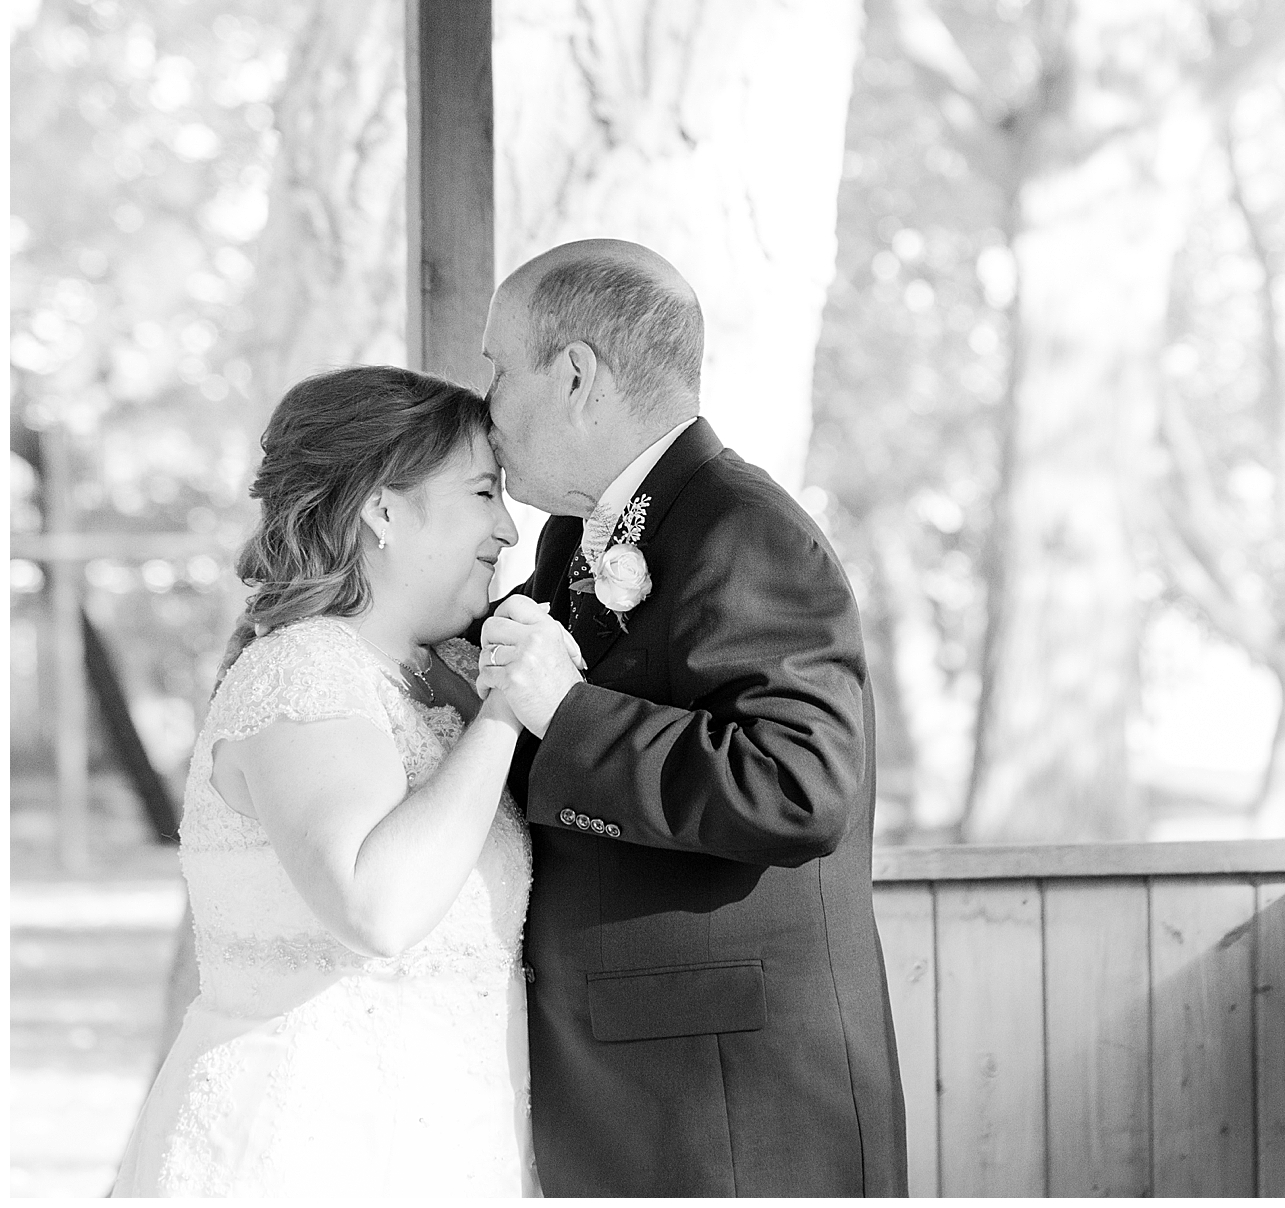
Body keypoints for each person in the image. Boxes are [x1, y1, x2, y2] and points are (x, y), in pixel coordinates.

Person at [475, 237, 907, 1195]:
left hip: (730, 1105)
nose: (486, 407)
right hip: (627, 1076)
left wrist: (568, 709)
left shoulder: (744, 529)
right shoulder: (574, 538)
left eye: (497, 369)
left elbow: (798, 791)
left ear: (577, 374)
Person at [113, 366, 540, 1197]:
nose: (509, 529)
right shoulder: (303, 674)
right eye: (485, 493)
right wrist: (506, 714)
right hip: (311, 1147)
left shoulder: (429, 679)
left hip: (449, 1146)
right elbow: (374, 907)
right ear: (383, 509)